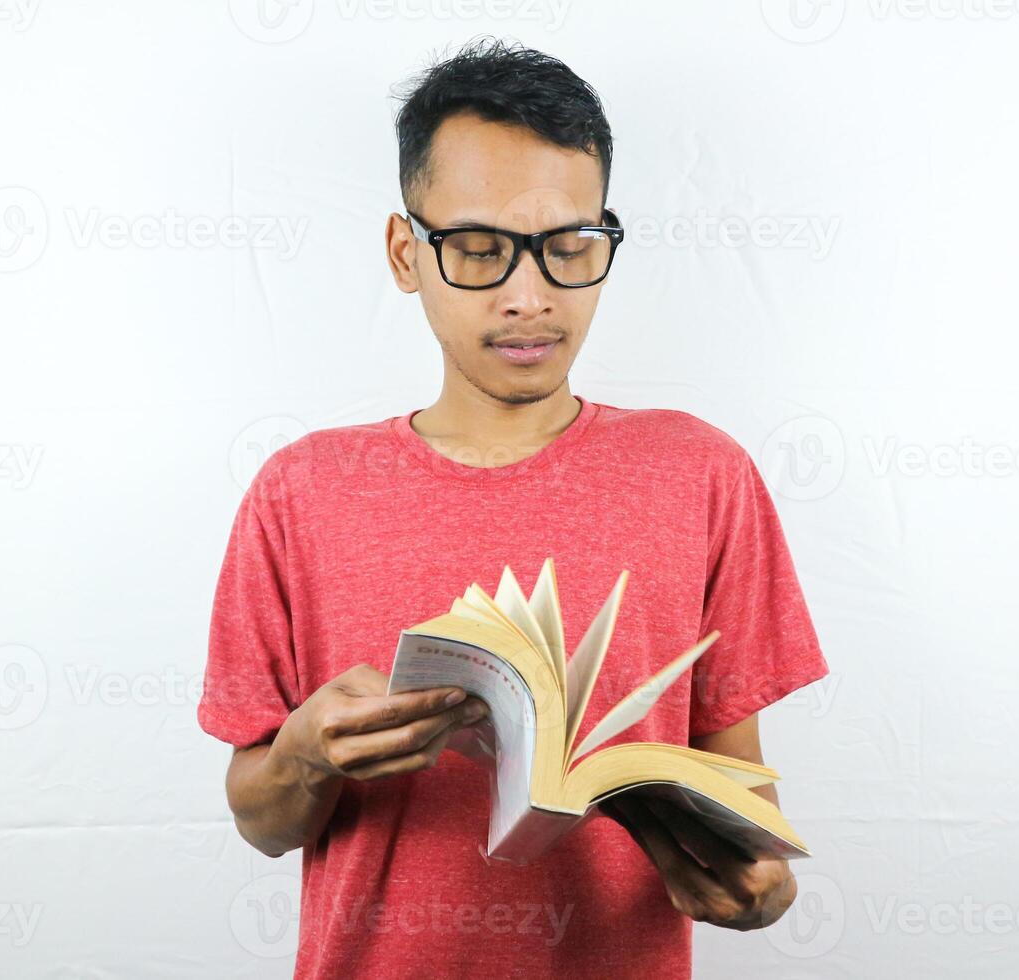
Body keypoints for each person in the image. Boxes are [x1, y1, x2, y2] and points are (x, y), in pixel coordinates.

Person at [199, 36, 829, 980]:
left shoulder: (701, 473)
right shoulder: (301, 490)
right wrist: (303, 756)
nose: (529, 298)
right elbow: (260, 821)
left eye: (568, 247)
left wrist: (760, 887)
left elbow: (740, 800)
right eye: (480, 251)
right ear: (406, 253)